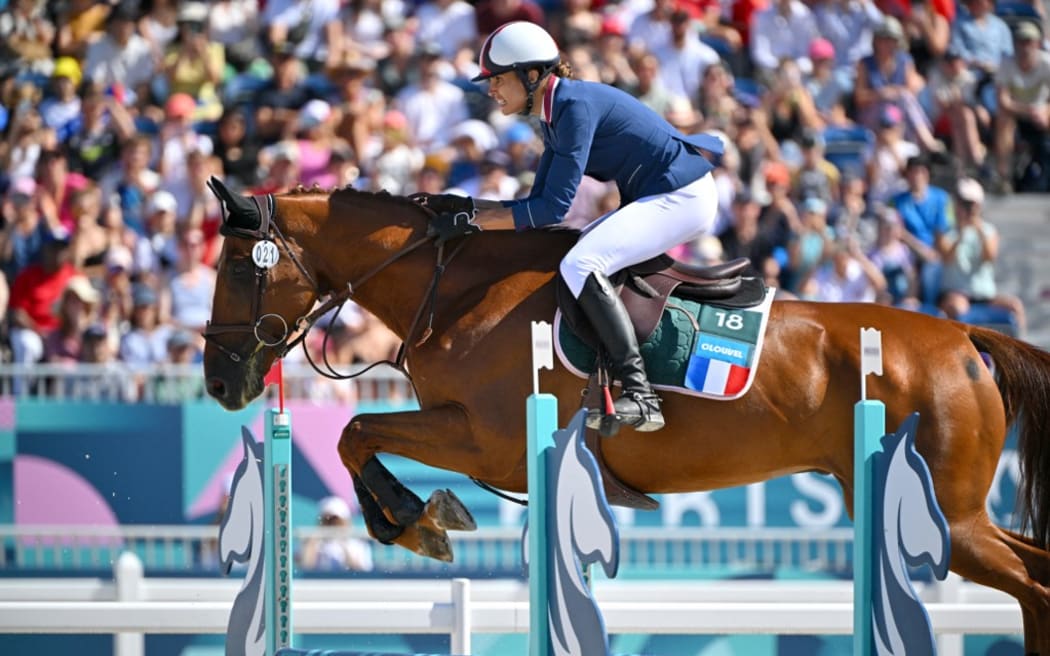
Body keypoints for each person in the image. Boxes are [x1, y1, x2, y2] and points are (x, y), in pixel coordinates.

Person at [413, 21, 724, 433]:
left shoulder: (572, 107)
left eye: (498, 79)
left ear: (532, 75)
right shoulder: (554, 113)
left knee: (582, 264)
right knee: (578, 255)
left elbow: (551, 209)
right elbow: (532, 204)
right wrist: (466, 206)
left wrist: (472, 221)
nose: (490, 90)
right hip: (664, 194)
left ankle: (641, 394)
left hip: (682, 196)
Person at [297, 496, 374, 572]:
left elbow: (360, 574)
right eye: (327, 520)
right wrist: (312, 542)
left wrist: (344, 544)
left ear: (346, 521)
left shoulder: (358, 545)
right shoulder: (312, 544)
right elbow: (305, 569)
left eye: (336, 520)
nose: (332, 524)